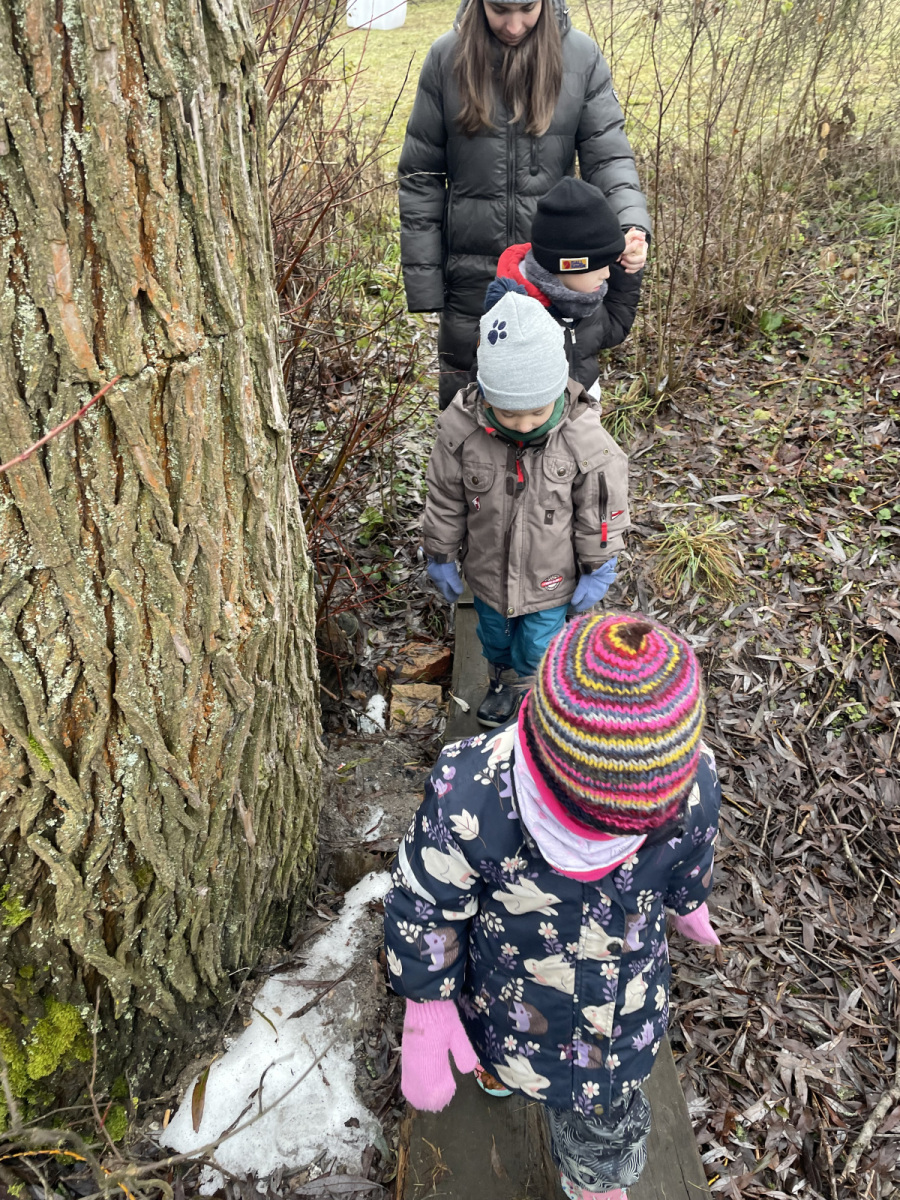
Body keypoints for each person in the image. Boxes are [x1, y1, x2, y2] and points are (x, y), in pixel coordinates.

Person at [383, 610, 722, 1200]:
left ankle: (594, 1180)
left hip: (618, 1012)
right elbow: (425, 899)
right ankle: (497, 1065)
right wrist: (427, 1005)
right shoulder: (472, 791)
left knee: (604, 1123)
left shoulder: (692, 785)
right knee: (500, 1045)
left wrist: (688, 899)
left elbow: (693, 846)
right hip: (504, 985)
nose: (599, 852)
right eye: (584, 830)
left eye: (625, 835)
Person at [398, 0, 651, 408]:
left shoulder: (581, 57)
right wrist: (425, 282)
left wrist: (630, 225)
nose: (514, 26)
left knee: (563, 416)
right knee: (471, 416)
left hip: (559, 276)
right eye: (500, 9)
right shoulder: (446, 58)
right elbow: (420, 176)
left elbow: (609, 159)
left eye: (527, 8)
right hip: (472, 280)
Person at [422, 289, 628, 726]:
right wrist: (439, 552)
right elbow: (444, 496)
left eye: (536, 411)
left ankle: (535, 690)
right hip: (487, 572)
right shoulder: (462, 432)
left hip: (551, 575)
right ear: (486, 395)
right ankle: (501, 679)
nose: (524, 424)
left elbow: (601, 506)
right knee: (494, 638)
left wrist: (600, 563)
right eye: (508, 413)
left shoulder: (583, 438)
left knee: (538, 644)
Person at [495, 176, 644, 398]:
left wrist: (625, 269)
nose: (606, 274)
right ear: (567, 265)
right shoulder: (514, 312)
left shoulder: (585, 297)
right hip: (540, 416)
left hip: (585, 408)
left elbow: (614, 329)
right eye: (599, 266)